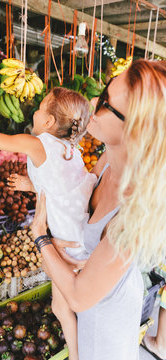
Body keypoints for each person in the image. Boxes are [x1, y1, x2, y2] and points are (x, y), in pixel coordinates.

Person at [30, 59, 166, 360]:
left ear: (134, 129)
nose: (92, 102)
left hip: (108, 318)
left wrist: (41, 237)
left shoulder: (135, 209)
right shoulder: (109, 160)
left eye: (104, 102)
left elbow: (79, 297)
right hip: (96, 286)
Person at [0, 86, 97, 360]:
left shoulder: (38, 144)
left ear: (48, 122)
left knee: (64, 308)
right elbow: (62, 188)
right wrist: (33, 184)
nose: (34, 111)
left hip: (63, 245)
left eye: (39, 107)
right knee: (63, 307)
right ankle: (79, 353)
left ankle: (77, 356)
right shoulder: (70, 150)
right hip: (78, 237)